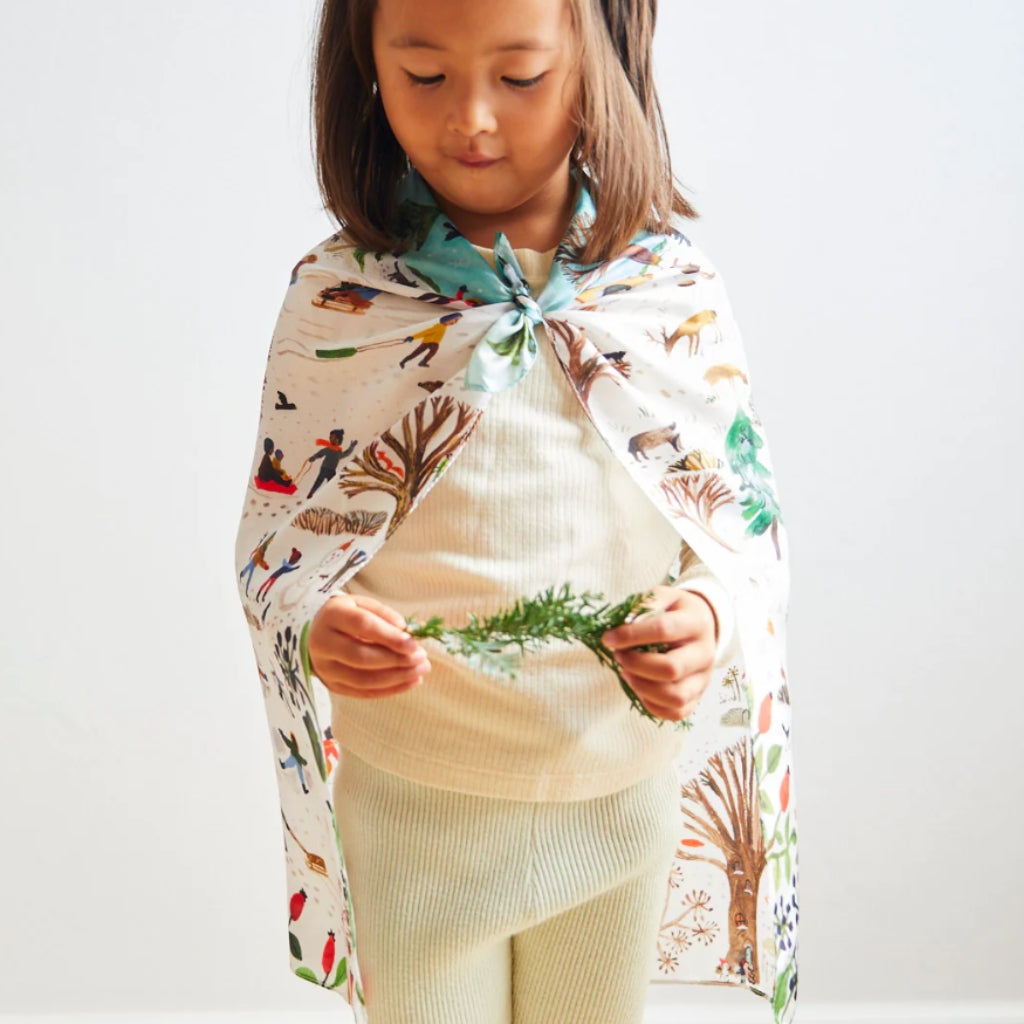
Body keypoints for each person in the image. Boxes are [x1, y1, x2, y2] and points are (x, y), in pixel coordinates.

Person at [235, 1, 797, 1022]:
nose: (472, 119)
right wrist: (317, 621)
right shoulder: (345, 298)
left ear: (600, 56)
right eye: (424, 76)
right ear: (365, 65)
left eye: (521, 76)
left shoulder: (664, 291)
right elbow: (283, 539)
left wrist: (707, 615)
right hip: (413, 806)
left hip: (615, 798)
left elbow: (737, 527)